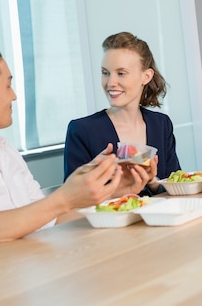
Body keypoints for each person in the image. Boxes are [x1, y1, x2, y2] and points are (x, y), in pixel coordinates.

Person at [0, 38, 151, 261]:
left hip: (34, 276)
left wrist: (111, 193)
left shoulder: (3, 150)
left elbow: (50, 221)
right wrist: (64, 197)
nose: (14, 95)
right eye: (8, 85)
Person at [64, 32, 180, 194]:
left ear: (146, 77)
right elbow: (73, 200)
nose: (110, 83)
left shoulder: (161, 125)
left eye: (121, 73)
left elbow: (176, 187)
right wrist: (121, 189)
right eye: (105, 73)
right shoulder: (82, 130)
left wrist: (152, 182)